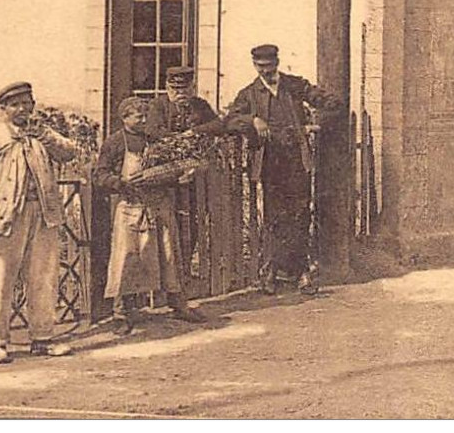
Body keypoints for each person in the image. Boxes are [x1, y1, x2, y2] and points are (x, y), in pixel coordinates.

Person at [0, 82, 80, 364]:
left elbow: (69, 152)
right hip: (6, 218)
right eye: (16, 105)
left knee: (43, 277)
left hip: (43, 215)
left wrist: (44, 134)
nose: (23, 109)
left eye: (28, 103)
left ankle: (42, 340)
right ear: (4, 109)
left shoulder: (41, 134)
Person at [225, 45, 346, 294]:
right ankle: (271, 271)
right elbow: (230, 120)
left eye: (270, 67)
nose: (266, 72)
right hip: (270, 164)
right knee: (273, 218)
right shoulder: (249, 94)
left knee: (301, 214)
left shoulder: (294, 85)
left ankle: (301, 271)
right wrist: (252, 120)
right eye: (261, 68)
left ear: (277, 63)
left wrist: (314, 124)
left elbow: (333, 103)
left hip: (296, 161)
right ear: (255, 66)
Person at [92, 92, 206, 335]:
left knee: (169, 254)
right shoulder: (114, 143)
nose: (144, 120)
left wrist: (178, 176)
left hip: (159, 204)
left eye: (146, 115)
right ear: (124, 118)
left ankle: (178, 304)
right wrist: (120, 182)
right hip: (131, 207)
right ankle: (122, 313)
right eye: (138, 116)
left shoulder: (155, 140)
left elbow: (173, 165)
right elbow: (99, 175)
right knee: (128, 257)